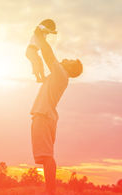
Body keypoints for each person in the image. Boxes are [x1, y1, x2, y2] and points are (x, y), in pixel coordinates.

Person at [30, 25, 83, 195]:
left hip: (44, 116)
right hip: (46, 116)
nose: (66, 59)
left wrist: (40, 35)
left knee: (47, 157)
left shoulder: (61, 73)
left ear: (70, 69)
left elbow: (47, 53)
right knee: (46, 157)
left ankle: (50, 192)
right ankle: (50, 191)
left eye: (70, 61)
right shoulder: (59, 75)